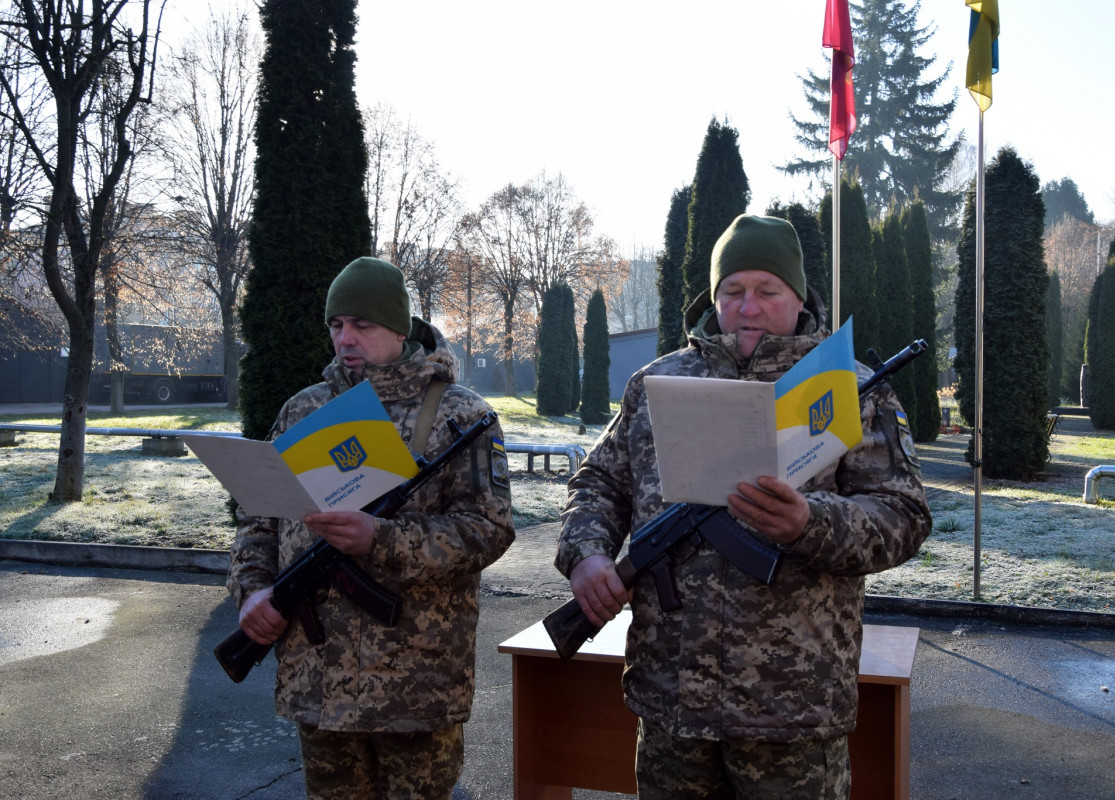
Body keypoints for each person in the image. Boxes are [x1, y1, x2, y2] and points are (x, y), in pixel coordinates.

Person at [555, 214, 931, 799]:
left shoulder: (850, 390)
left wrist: (811, 523)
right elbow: (598, 481)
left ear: (798, 295)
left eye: (766, 290)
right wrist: (586, 554)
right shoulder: (657, 383)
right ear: (715, 297)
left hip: (794, 708)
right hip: (672, 698)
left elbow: (903, 517)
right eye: (733, 291)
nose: (748, 306)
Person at [228, 256, 515, 799]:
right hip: (319, 678)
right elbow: (257, 518)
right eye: (337, 325)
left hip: (416, 683)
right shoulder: (303, 411)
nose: (346, 338)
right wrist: (251, 591)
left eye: (363, 325)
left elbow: (489, 527)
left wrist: (381, 540)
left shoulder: (460, 413)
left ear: (400, 329)